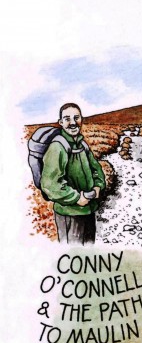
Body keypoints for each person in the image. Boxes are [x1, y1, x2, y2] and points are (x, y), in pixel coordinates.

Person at [39, 103, 106, 244]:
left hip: (88, 210)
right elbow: (50, 184)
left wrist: (98, 186)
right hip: (69, 213)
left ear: (81, 119)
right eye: (67, 119)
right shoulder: (57, 147)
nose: (73, 123)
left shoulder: (83, 144)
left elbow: (96, 169)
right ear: (61, 122)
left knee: (88, 254)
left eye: (76, 118)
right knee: (72, 255)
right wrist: (76, 198)